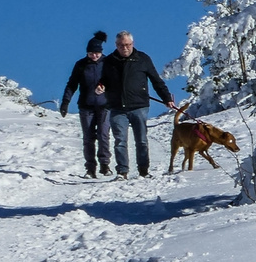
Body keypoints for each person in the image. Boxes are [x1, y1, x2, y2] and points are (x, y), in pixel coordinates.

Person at [100, 31, 174, 179]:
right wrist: (100, 86)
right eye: (121, 45)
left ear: (132, 44)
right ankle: (122, 171)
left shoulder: (143, 59)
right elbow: (102, 80)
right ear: (116, 45)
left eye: (127, 45)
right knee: (120, 140)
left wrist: (166, 98)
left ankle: (143, 170)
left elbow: (156, 80)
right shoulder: (109, 61)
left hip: (139, 106)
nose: (124, 48)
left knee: (141, 140)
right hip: (117, 107)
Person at [58, 30, 114, 178]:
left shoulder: (108, 63)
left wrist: (106, 87)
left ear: (101, 52)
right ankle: (90, 168)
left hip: (104, 106)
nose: (94, 56)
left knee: (103, 135)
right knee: (88, 138)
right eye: (90, 53)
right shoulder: (81, 65)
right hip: (86, 106)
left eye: (96, 53)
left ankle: (105, 165)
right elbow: (72, 84)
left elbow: (115, 82)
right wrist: (65, 102)